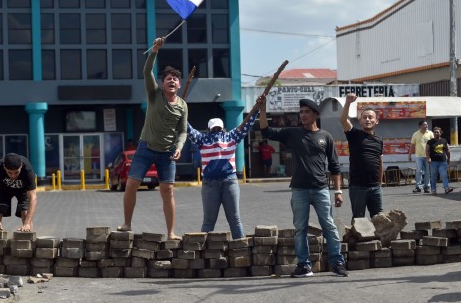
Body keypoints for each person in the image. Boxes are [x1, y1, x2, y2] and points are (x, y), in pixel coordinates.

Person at [259, 95, 348, 277]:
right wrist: (262, 109)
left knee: (329, 226)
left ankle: (337, 263)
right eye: (301, 112)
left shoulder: (326, 137)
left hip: (321, 189)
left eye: (307, 112)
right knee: (300, 229)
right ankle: (304, 265)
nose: (303, 115)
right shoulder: (293, 133)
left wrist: (338, 191)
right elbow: (267, 132)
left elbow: (334, 166)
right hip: (299, 190)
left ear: (315, 114)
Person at [118, 37, 188, 240]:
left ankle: (171, 232)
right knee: (131, 184)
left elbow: (182, 131)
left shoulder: (183, 105)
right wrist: (155, 51)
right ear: (162, 83)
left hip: (167, 153)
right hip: (145, 148)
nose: (172, 81)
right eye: (168, 78)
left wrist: (180, 146)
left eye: (175, 79)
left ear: (179, 83)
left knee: (168, 191)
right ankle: (127, 224)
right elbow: (146, 71)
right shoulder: (154, 94)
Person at [187, 95, 263, 239]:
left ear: (222, 128)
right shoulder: (206, 138)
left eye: (218, 129)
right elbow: (187, 128)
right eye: (214, 129)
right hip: (211, 183)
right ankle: (204, 254)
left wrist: (257, 108)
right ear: (209, 129)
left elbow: (247, 124)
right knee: (210, 222)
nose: (216, 132)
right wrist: (178, 112)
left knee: (234, 220)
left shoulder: (227, 136)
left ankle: (241, 250)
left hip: (229, 181)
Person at [340, 93, 384, 218]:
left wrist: (380, 183)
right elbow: (343, 120)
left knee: (380, 219)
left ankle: (378, 238)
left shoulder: (379, 140)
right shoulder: (354, 134)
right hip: (358, 187)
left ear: (376, 121)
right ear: (360, 120)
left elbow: (380, 161)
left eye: (371, 117)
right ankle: (358, 238)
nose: (367, 119)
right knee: (359, 220)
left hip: (375, 187)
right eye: (364, 117)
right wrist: (348, 102)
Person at [0, 153, 37, 232]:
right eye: (9, 173)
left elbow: (33, 197)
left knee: (25, 213)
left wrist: (27, 223)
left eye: (16, 172)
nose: (13, 176)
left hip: (22, 189)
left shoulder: (27, 170)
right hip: (4, 189)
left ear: (21, 166)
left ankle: (28, 237)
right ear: (4, 167)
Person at [426, 127, 454, 195]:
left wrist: (449, 158)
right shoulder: (430, 142)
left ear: (440, 133)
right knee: (433, 176)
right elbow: (427, 150)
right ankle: (433, 190)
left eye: (437, 132)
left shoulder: (444, 141)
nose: (436, 133)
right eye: (435, 132)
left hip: (442, 161)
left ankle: (446, 188)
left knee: (444, 175)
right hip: (433, 162)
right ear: (433, 133)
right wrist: (428, 158)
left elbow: (447, 150)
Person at [409, 120, 433, 194]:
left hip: (427, 156)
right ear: (420, 126)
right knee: (419, 171)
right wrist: (409, 155)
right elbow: (412, 145)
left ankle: (426, 187)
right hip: (419, 156)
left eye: (427, 124)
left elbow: (433, 144)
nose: (426, 126)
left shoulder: (430, 133)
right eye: (425, 125)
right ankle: (418, 187)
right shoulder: (415, 134)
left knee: (428, 172)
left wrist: (432, 155)